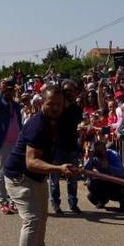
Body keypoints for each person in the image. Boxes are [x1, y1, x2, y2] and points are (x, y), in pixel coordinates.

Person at [3, 85, 80, 246]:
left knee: (42, 216)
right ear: (41, 104)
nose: (55, 107)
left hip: (37, 177)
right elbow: (31, 161)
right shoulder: (37, 125)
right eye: (50, 104)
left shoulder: (60, 120)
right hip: (19, 177)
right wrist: (59, 168)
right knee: (32, 219)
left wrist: (71, 164)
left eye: (58, 104)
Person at [48, 79, 82, 215]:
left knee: (72, 179)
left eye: (71, 91)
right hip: (57, 148)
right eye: (65, 90)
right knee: (54, 179)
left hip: (72, 148)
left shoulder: (76, 109)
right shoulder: (56, 108)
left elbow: (75, 122)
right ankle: (56, 204)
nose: (68, 93)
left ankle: (73, 204)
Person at [0, 79, 21, 214]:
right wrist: (0, 93)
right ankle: (3, 201)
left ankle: (14, 201)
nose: (9, 92)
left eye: (11, 90)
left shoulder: (15, 105)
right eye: (7, 90)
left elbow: (19, 122)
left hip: (17, 143)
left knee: (16, 173)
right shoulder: (0, 103)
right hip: (3, 143)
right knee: (2, 173)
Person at [83, 139, 124, 212]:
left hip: (115, 181)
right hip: (103, 180)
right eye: (97, 151)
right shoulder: (94, 157)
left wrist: (109, 167)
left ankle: (122, 202)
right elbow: (85, 171)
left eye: (101, 151)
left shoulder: (113, 155)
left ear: (105, 149)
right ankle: (102, 200)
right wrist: (90, 158)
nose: (100, 153)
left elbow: (122, 173)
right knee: (91, 189)